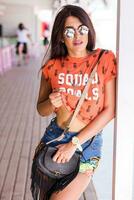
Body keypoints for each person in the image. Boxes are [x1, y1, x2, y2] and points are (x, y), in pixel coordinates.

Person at [36, 4, 117, 200]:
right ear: (61, 37)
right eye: (69, 31)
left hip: (87, 144)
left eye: (82, 28)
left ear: (89, 29)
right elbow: (41, 109)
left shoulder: (104, 59)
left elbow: (109, 110)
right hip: (54, 139)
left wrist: (74, 144)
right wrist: (51, 102)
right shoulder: (52, 66)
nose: (78, 35)